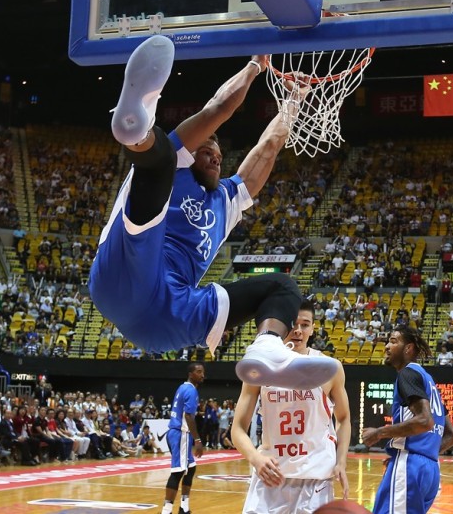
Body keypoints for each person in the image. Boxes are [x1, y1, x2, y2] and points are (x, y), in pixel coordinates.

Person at [88, 35, 337, 390]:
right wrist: (256, 65)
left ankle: (267, 349)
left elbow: (268, 147)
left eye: (219, 155)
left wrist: (293, 103)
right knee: (158, 164)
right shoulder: (178, 166)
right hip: (129, 272)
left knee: (283, 288)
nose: (216, 156)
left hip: (168, 316)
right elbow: (217, 109)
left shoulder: (227, 201)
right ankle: (136, 129)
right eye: (207, 149)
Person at [232, 299, 352, 513]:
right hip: (270, 474)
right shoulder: (259, 367)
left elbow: (343, 419)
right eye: (293, 324)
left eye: (305, 324)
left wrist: (341, 461)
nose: (298, 330)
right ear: (281, 326)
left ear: (313, 328)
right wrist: (254, 457)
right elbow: (238, 428)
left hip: (315, 477)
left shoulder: (329, 367)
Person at [361, 328, 453, 514]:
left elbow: (425, 421)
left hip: (411, 467)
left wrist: (379, 432)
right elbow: (452, 436)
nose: (387, 346)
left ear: (408, 348)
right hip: (430, 470)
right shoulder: (430, 382)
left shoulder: (407, 374)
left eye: (393, 341)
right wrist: (422, 455)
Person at [162, 363, 205, 514]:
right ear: (190, 374)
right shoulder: (191, 390)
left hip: (176, 432)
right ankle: (166, 511)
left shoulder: (182, 387)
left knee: (191, 469)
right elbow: (188, 416)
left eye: (202, 372)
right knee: (178, 471)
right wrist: (198, 440)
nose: (202, 375)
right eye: (199, 372)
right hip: (181, 433)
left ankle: (184, 507)